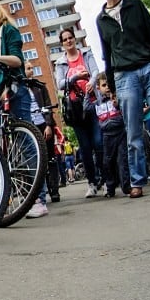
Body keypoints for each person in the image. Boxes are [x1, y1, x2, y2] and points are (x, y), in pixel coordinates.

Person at [0, 0, 49, 218]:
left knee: (26, 143)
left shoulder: (8, 30)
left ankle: (38, 200)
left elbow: (17, 60)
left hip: (13, 90)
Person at [95, 0, 150, 199]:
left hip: (148, 67)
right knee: (133, 131)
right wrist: (112, 88)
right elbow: (106, 53)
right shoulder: (101, 20)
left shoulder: (135, 4)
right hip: (124, 76)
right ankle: (137, 181)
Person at [53, 26, 103, 198]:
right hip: (75, 109)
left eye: (70, 38)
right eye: (65, 39)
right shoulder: (60, 63)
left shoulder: (86, 55)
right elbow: (60, 83)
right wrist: (76, 77)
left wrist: (92, 80)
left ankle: (104, 178)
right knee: (85, 148)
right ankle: (92, 182)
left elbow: (95, 70)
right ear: (62, 44)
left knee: (98, 143)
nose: (68, 41)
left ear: (75, 39)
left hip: (92, 104)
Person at [25, 61, 59, 204]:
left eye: (32, 68)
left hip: (43, 125)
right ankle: (40, 192)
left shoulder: (40, 86)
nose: (31, 71)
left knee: (50, 158)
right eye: (28, 68)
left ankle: (54, 191)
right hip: (30, 127)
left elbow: (47, 105)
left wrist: (48, 125)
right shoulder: (19, 88)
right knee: (37, 160)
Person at [94, 72, 130, 197]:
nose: (107, 87)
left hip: (120, 133)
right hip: (107, 135)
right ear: (98, 88)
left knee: (122, 160)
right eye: (104, 85)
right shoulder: (97, 102)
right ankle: (110, 188)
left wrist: (118, 104)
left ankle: (126, 187)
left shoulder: (117, 97)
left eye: (109, 84)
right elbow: (86, 109)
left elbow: (126, 109)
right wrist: (88, 97)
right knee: (107, 162)